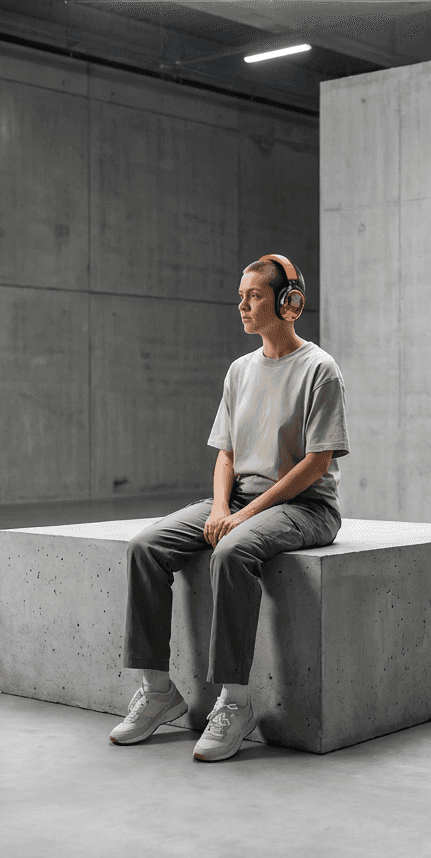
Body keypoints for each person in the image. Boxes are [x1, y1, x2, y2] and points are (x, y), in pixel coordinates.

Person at [109, 254, 351, 762]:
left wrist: (243, 517)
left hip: (305, 507)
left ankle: (235, 703)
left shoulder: (319, 370)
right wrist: (222, 507)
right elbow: (226, 453)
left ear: (290, 303)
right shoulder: (240, 370)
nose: (241, 305)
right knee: (144, 548)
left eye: (254, 296)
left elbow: (316, 463)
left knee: (232, 554)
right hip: (240, 499)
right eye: (240, 296)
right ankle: (157, 692)